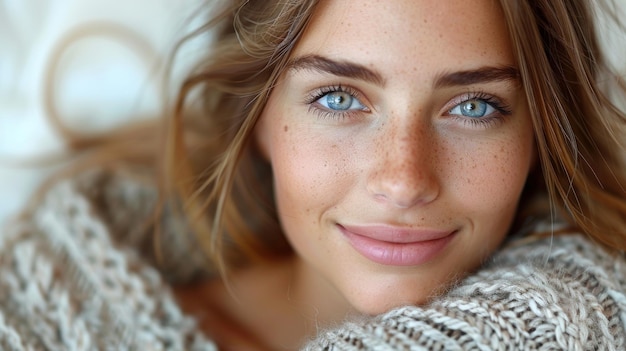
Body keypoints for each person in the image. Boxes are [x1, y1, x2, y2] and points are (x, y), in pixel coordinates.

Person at [1, 0, 626, 350]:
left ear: (540, 137)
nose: (405, 180)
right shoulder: (39, 326)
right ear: (260, 120)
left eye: (473, 106)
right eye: (337, 98)